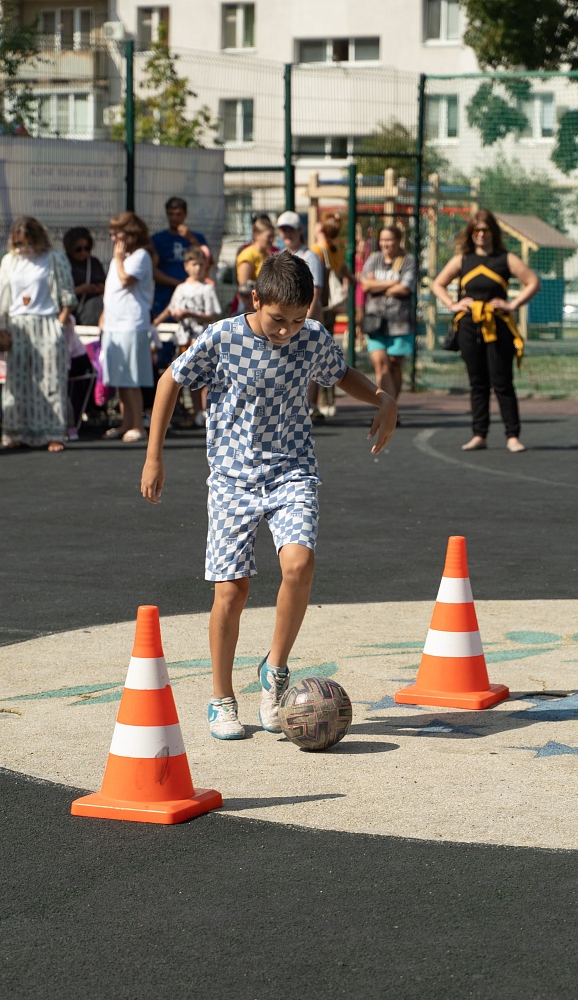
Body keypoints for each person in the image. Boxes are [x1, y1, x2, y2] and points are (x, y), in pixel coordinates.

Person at [140, 251, 397, 740]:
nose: (287, 331)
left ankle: (274, 669)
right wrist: (154, 456)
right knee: (231, 591)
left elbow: (340, 373)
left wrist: (382, 398)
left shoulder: (312, 337)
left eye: (298, 320)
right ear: (255, 299)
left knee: (299, 564)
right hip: (232, 479)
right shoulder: (222, 337)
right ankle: (221, 698)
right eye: (279, 319)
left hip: (291, 471)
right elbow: (170, 379)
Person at [431, 209, 540, 453]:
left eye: (485, 230)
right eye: (476, 230)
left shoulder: (506, 258)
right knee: (477, 383)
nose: (481, 234)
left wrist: (512, 305)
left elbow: (533, 282)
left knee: (502, 382)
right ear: (471, 233)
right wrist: (453, 305)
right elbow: (438, 283)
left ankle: (513, 436)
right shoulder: (462, 259)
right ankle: (479, 435)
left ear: (493, 232)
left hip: (498, 326)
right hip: (469, 327)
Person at [0, 216, 77, 452]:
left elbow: (67, 296)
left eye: (29, 242)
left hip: (46, 323)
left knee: (51, 380)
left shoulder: (54, 258)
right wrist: (1, 329)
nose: (24, 248)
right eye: (19, 243)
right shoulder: (10, 261)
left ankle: (53, 433)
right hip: (17, 325)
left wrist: (59, 327)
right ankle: (17, 432)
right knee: (18, 381)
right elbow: (2, 297)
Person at [100, 211, 155, 443]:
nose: (114, 238)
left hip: (131, 324)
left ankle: (138, 426)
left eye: (118, 233)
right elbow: (112, 291)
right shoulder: (119, 258)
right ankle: (126, 422)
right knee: (120, 379)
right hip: (113, 324)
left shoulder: (141, 256)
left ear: (131, 234)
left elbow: (125, 280)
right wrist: (104, 317)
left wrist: (120, 259)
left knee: (131, 380)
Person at [153, 246, 221, 426]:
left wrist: (190, 314)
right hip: (184, 339)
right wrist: (155, 322)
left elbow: (211, 315)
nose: (198, 268)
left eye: (201, 265)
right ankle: (194, 412)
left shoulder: (207, 289)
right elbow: (171, 308)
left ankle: (205, 413)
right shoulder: (181, 288)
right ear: (186, 266)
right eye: (194, 264)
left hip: (201, 340)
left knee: (204, 378)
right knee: (187, 377)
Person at [277, 210, 326, 421]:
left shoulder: (309, 257)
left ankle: (308, 405)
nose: (287, 234)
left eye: (291, 229)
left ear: (300, 230)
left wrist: (305, 320)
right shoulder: (281, 257)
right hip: (287, 318)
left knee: (309, 363)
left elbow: (316, 291)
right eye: (283, 230)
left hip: (305, 317)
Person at [360, 225, 416, 403]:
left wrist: (377, 285)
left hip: (399, 322)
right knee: (381, 364)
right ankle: (387, 406)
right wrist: (392, 282)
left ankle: (392, 406)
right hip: (374, 321)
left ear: (398, 240)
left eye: (389, 239)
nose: (385, 243)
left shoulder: (408, 260)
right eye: (382, 240)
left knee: (393, 364)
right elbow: (365, 285)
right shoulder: (374, 259)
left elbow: (405, 288)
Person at [311, 211, 353, 417]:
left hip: (320, 307)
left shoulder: (319, 250)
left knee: (315, 353)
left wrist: (320, 235)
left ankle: (318, 401)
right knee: (327, 352)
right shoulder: (337, 250)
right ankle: (328, 400)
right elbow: (346, 272)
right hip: (332, 309)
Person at [151, 197, 208, 317]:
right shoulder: (158, 239)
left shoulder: (196, 238)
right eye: (171, 214)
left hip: (192, 297)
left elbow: (207, 261)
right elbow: (152, 271)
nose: (174, 218)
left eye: (178, 214)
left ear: (185, 215)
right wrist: (178, 283)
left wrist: (191, 239)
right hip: (164, 297)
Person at [63, 227, 106, 327]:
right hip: (69, 308)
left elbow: (105, 285)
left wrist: (98, 288)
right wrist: (80, 290)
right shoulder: (63, 264)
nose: (83, 253)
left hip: (90, 310)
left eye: (87, 248)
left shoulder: (94, 263)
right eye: (78, 249)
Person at [235, 218, 275, 284]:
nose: (272, 240)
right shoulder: (247, 256)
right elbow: (244, 287)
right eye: (269, 236)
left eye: (273, 236)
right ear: (256, 235)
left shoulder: (268, 255)